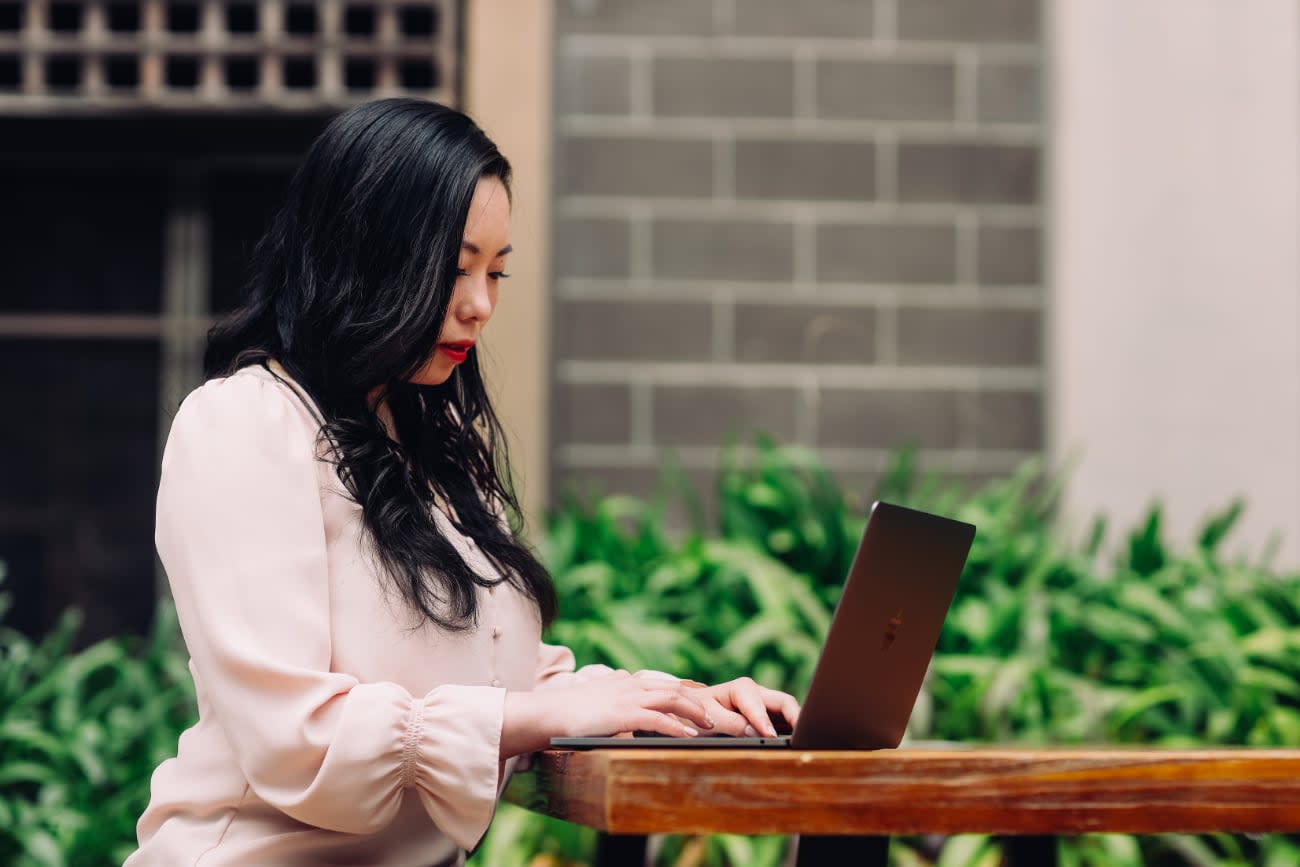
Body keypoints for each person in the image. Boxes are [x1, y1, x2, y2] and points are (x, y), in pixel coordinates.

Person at [126, 97, 800, 866]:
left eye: (496, 270)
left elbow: (511, 677)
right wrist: (528, 716)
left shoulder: (426, 445)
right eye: (454, 271)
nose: (480, 306)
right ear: (360, 256)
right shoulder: (244, 423)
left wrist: (682, 705)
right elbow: (293, 737)